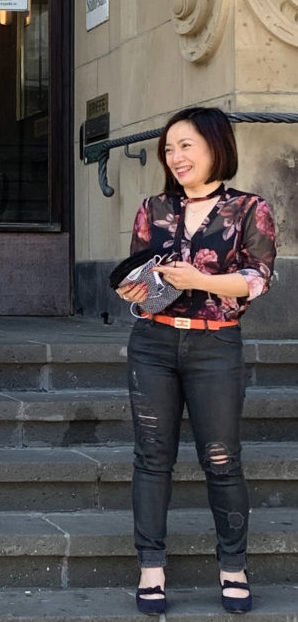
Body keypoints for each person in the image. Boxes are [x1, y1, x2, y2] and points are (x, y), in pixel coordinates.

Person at [115, 107, 276, 615]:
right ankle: (151, 569)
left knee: (223, 460)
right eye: (169, 149)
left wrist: (200, 281)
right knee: (152, 457)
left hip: (216, 345)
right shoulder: (153, 208)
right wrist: (134, 291)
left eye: (185, 145)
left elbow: (257, 279)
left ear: (215, 145)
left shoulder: (250, 209)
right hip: (153, 343)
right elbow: (139, 282)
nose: (175, 157)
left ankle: (233, 567)